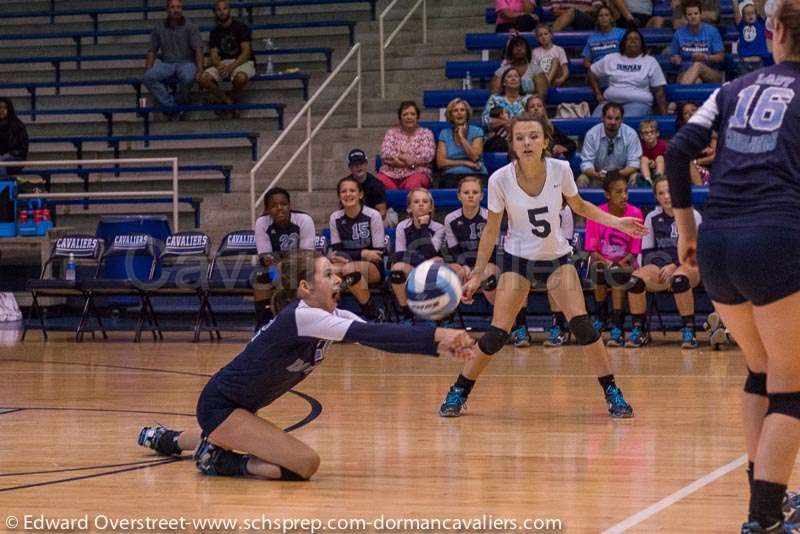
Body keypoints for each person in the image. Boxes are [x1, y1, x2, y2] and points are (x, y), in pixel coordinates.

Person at [137, 251, 476, 481]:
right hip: (221, 406)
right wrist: (439, 333)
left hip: (238, 409)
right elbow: (367, 330)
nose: (338, 280)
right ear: (305, 287)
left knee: (243, 433)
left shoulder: (331, 316)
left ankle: (168, 438)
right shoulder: (303, 317)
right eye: (328, 274)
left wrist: (441, 345)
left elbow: (377, 338)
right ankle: (220, 461)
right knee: (304, 464)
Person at [665, 0, 800, 526]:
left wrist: (686, 229)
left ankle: (762, 498)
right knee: (792, 384)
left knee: (760, 369)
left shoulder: (731, 89)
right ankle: (762, 517)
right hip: (775, 239)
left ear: (776, 31)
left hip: (717, 238)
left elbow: (677, 152)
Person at [437, 112, 647, 419]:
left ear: (545, 141)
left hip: (557, 258)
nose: (527, 142)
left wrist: (618, 223)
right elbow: (492, 229)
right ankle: (459, 390)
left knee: (583, 326)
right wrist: (478, 273)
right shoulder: (500, 179)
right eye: (520, 137)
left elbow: (579, 206)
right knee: (497, 334)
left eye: (534, 136)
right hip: (517, 259)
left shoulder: (561, 169)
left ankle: (612, 391)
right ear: (512, 144)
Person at [623, 176, 702, 348]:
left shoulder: (692, 215)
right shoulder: (652, 217)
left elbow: (696, 251)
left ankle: (689, 331)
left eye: (669, 191)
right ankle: (640, 330)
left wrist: (674, 265)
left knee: (679, 279)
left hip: (689, 266)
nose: (666, 196)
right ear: (656, 197)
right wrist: (658, 268)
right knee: (634, 280)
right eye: (661, 193)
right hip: (661, 267)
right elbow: (646, 252)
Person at [584, 173, 644, 346]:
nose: (624, 196)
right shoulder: (596, 214)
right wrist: (607, 262)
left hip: (627, 264)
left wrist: (618, 263)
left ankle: (617, 326)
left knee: (616, 272)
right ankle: (601, 318)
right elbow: (592, 250)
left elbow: (634, 252)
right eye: (618, 192)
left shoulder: (635, 213)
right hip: (604, 263)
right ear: (607, 194)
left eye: (626, 191)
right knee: (599, 269)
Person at [253, 187, 316, 328]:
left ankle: (292, 321)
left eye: (283, 204)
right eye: (274, 206)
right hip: (274, 268)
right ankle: (262, 324)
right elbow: (264, 256)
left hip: (303, 267)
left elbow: (308, 254)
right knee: (261, 276)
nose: (279, 208)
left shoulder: (304, 220)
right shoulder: (262, 223)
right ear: (267, 209)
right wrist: (270, 260)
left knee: (285, 271)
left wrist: (283, 262)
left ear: (290, 205)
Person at [329, 177, 386, 322]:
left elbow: (378, 253)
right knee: (326, 271)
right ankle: (331, 316)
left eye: (352, 190)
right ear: (339, 196)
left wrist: (349, 256)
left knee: (348, 269)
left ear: (360, 194)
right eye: (343, 191)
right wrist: (363, 253)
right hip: (347, 265)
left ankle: (373, 314)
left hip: (374, 268)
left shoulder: (373, 215)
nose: (348, 194)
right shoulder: (335, 218)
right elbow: (336, 253)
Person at [391, 188, 445, 323]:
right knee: (397, 268)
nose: (421, 204)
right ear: (409, 208)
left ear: (431, 207)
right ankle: (407, 314)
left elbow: (430, 253)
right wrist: (417, 268)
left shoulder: (438, 228)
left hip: (430, 271)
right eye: (416, 201)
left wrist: (424, 227)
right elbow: (400, 256)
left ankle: (434, 314)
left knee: (436, 262)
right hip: (411, 268)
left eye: (425, 201)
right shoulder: (402, 227)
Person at [143, 0, 204, 119]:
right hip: (167, 62)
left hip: (187, 61)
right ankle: (172, 106)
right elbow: (152, 50)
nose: (176, 10)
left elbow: (198, 49)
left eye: (178, 7)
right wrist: (148, 69)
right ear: (167, 10)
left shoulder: (191, 26)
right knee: (148, 77)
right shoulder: (158, 28)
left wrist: (200, 69)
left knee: (188, 77)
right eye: (173, 7)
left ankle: (178, 105)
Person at [589, 28, 668, 118]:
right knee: (595, 120)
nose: (633, 41)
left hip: (638, 104)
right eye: (629, 39)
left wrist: (664, 116)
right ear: (623, 43)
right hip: (610, 102)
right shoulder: (611, 58)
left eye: (636, 39)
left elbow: (659, 91)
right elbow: (592, 72)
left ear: (642, 44)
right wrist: (598, 93)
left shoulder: (650, 61)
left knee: (624, 123)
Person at [444, 177, 498, 306]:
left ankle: (501, 318)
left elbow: (494, 252)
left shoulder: (490, 216)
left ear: (481, 196)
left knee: (486, 273)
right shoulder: (450, 219)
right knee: (452, 272)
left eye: (475, 192)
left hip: (489, 263)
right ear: (459, 196)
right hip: (466, 263)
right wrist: (465, 267)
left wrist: (476, 273)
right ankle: (447, 318)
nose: (470, 196)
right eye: (466, 192)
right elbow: (455, 251)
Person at [199, 0, 256, 118]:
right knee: (203, 78)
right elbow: (214, 55)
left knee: (241, 77)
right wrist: (218, 65)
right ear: (215, 12)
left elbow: (246, 53)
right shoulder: (214, 32)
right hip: (223, 62)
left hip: (242, 61)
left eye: (224, 9)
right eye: (219, 10)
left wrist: (231, 67)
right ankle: (228, 101)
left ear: (229, 10)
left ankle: (225, 100)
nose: (222, 12)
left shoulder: (241, 27)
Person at [578, 102, 642, 188]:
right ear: (603, 118)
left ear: (622, 120)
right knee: (582, 179)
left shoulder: (631, 134)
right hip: (598, 176)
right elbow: (586, 163)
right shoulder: (592, 134)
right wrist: (596, 174)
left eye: (617, 119)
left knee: (635, 177)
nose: (613, 122)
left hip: (623, 176)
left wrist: (617, 175)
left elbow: (634, 164)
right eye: (609, 118)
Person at [378, 101, 435, 190]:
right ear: (400, 118)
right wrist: (405, 158)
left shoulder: (426, 133)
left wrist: (398, 161)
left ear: (417, 117)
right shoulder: (391, 133)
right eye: (405, 114)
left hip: (417, 173)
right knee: (378, 181)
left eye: (412, 114)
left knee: (413, 184)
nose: (409, 117)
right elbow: (385, 154)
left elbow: (427, 156)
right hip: (390, 174)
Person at [669, 0, 726, 84]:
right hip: (685, 71)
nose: (693, 17)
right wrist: (675, 59)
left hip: (710, 72)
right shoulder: (678, 34)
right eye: (690, 14)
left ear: (700, 14)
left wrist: (705, 57)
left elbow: (721, 57)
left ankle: (681, 92)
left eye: (696, 13)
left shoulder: (712, 31)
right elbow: (673, 56)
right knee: (697, 81)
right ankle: (684, 92)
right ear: (685, 17)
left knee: (697, 65)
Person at [436, 98, 487, 188]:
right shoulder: (444, 134)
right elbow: (441, 163)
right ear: (450, 115)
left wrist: (462, 138)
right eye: (455, 111)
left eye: (462, 110)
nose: (459, 113)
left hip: (475, 174)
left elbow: (475, 157)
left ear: (467, 113)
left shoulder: (477, 131)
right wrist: (465, 163)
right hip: (451, 176)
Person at [482, 67, 531, 153]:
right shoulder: (494, 99)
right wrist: (505, 122)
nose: (513, 78)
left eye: (516, 76)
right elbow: (485, 120)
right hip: (498, 139)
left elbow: (535, 119)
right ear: (504, 83)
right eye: (509, 76)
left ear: (520, 81)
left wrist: (506, 123)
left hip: (524, 137)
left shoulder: (528, 99)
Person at [489, 35, 549, 103]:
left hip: (531, 108)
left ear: (527, 50)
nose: (519, 49)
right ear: (511, 51)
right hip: (506, 108)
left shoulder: (536, 70)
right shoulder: (501, 71)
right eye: (516, 46)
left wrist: (524, 106)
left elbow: (542, 95)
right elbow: (494, 95)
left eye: (522, 46)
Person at [343, 149, 390, 225]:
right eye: (355, 164)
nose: (359, 166)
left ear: (366, 164)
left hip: (377, 216)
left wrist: (363, 223)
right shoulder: (346, 184)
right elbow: (343, 208)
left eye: (361, 163)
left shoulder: (376, 185)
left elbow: (382, 213)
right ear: (350, 167)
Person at [676, 102, 717, 185]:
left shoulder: (712, 133)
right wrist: (701, 151)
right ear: (682, 119)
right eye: (686, 113)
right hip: (689, 170)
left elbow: (714, 157)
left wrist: (696, 161)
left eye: (693, 110)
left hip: (711, 170)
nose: (690, 114)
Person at [526, 95, 578, 160]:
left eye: (539, 106)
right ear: (527, 111)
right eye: (532, 106)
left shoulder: (551, 128)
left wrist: (562, 148)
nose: (536, 108)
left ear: (544, 110)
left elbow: (572, 144)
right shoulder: (522, 129)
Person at [733, 0, 772, 74]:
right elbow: (737, 13)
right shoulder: (741, 25)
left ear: (756, 14)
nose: (750, 15)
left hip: (759, 64)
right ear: (743, 17)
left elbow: (762, 7)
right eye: (747, 14)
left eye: (752, 13)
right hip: (744, 64)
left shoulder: (761, 23)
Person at [582, 6, 627, 70]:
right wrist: (595, 70)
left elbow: (628, 54)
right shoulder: (592, 38)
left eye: (607, 15)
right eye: (600, 15)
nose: (603, 18)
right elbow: (586, 62)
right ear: (597, 20)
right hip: (598, 71)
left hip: (617, 69)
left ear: (611, 18)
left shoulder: (621, 33)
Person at [0, 98, 28, 178]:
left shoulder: (18, 125)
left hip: (16, 158)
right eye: (0, 108)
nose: (2, 110)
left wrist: (9, 154)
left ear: (9, 109)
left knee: (1, 161)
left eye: (4, 108)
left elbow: (23, 147)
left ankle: (3, 188)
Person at [639, 118, 667, 185]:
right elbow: (638, 161)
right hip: (645, 171)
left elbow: (669, 160)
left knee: (660, 158)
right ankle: (648, 181)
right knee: (644, 159)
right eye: (646, 133)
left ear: (657, 133)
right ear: (641, 136)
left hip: (661, 170)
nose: (649, 135)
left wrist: (655, 163)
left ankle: (658, 178)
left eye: (652, 132)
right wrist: (649, 163)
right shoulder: (640, 146)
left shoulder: (663, 145)